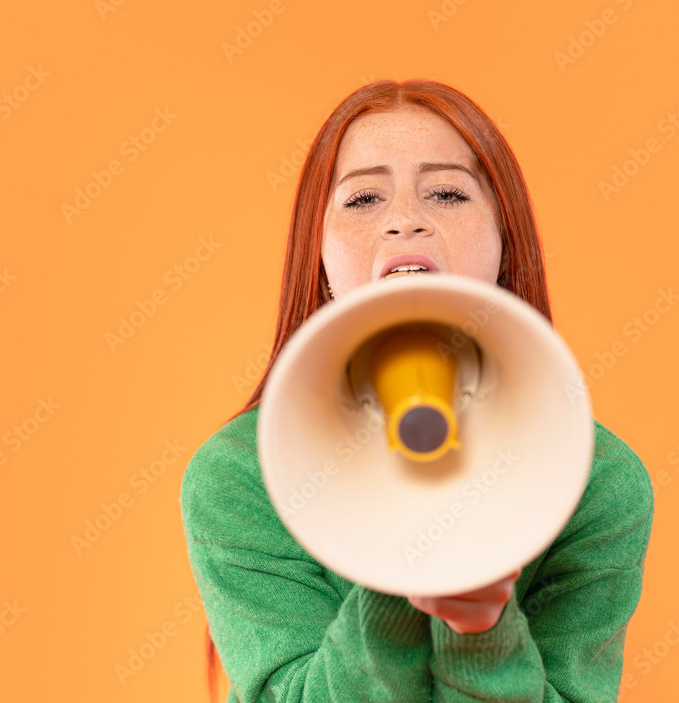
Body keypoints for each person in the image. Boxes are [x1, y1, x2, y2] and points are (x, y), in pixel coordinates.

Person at [180, 78, 654, 702]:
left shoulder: (597, 480)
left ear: (505, 245)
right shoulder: (241, 476)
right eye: (363, 199)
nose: (405, 220)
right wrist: (401, 560)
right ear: (317, 259)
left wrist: (480, 631)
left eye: (449, 193)